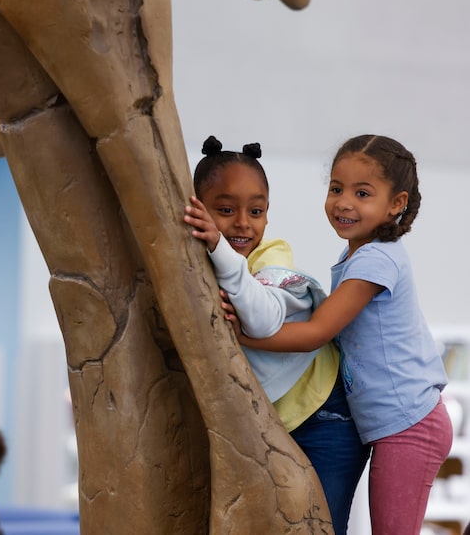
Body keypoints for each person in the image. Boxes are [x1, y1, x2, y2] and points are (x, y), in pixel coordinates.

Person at [231, 134, 451, 535]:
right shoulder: (354, 256)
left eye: (362, 193)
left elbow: (317, 332)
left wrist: (240, 337)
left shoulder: (378, 260)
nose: (343, 202)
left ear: (396, 204)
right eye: (336, 188)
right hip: (391, 425)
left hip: (409, 423)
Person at [182, 135, 369, 534]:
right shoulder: (198, 266)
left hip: (324, 416)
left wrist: (220, 249)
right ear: (198, 208)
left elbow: (263, 321)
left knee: (320, 526)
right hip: (269, 424)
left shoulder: (271, 258)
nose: (243, 223)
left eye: (256, 211)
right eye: (226, 210)